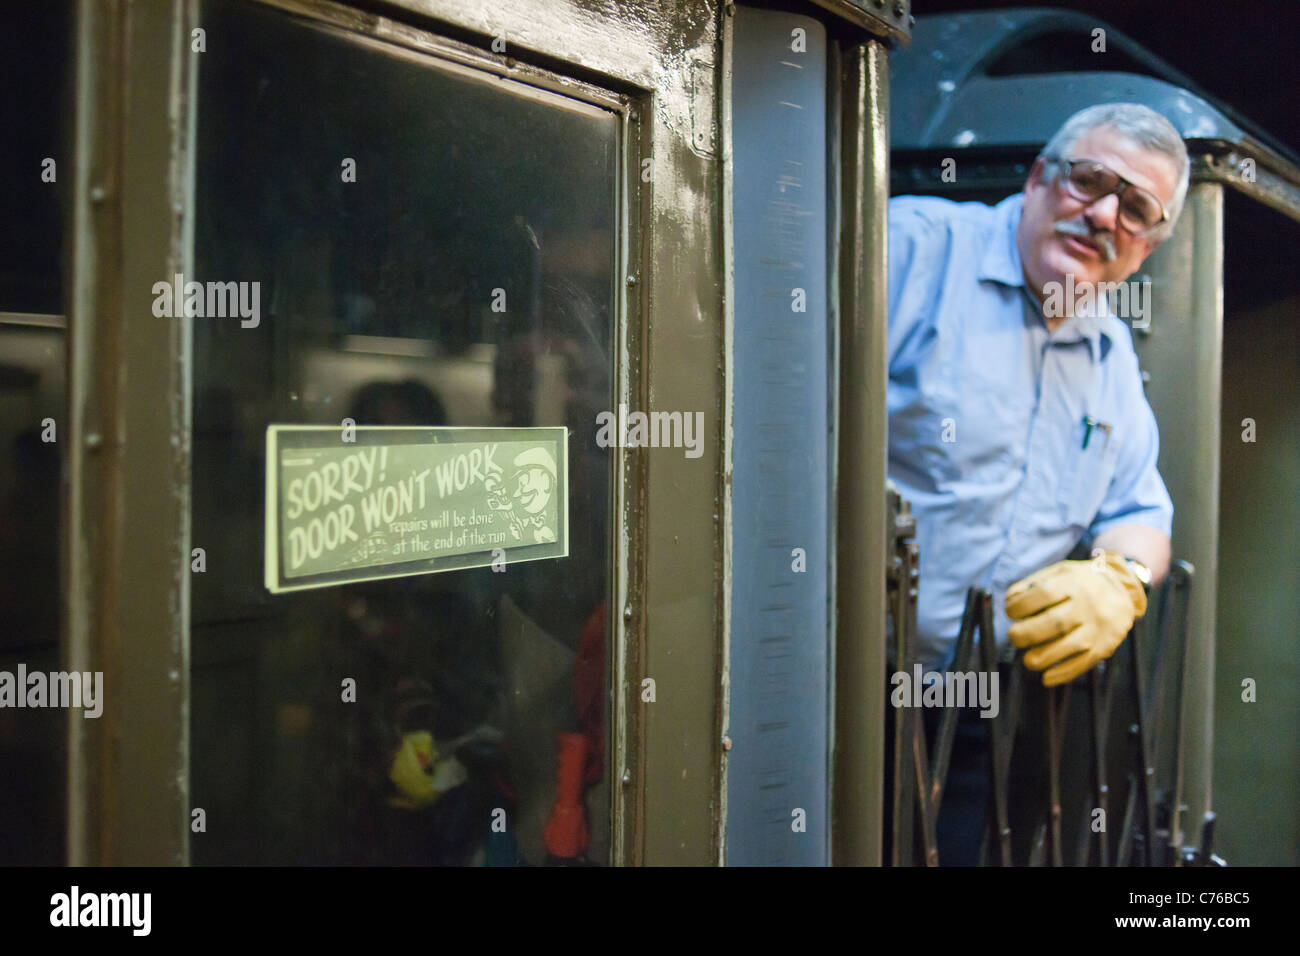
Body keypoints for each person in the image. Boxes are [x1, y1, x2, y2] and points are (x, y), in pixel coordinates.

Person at [886, 103, 1187, 864]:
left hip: (979, 713)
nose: (1104, 215)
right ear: (1038, 180)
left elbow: (1142, 512)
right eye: (1090, 181)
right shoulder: (908, 251)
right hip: (836, 683)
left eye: (1137, 208)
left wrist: (1120, 578)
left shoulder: (1111, 354)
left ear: (1144, 249)